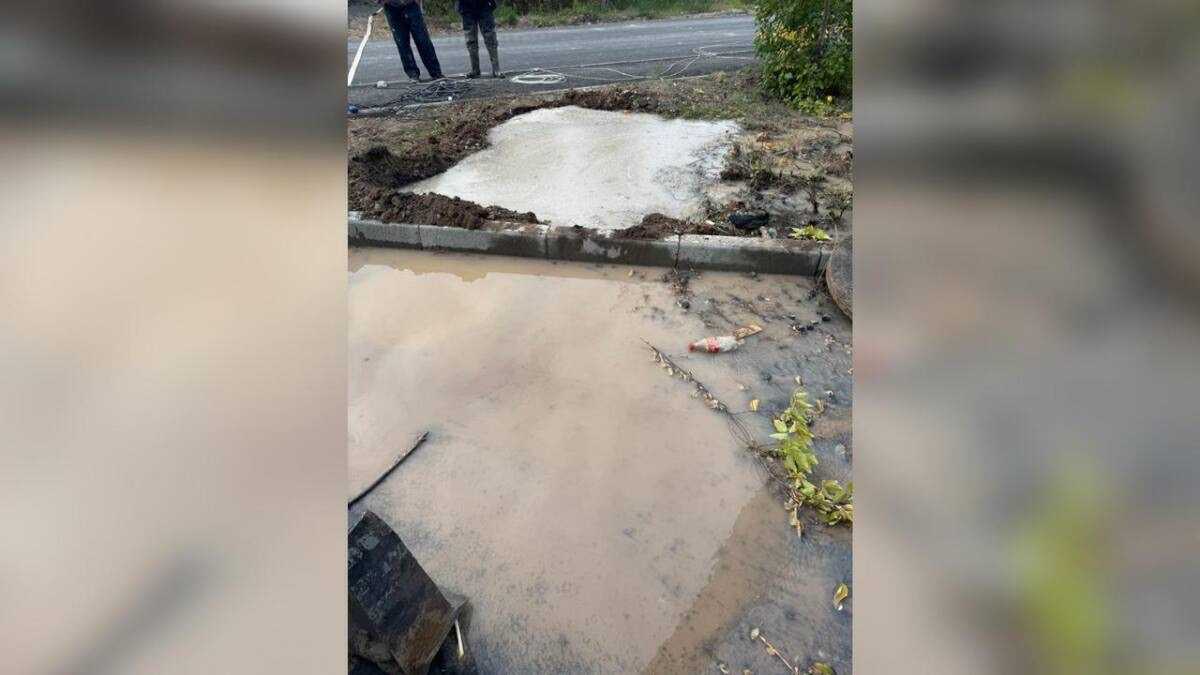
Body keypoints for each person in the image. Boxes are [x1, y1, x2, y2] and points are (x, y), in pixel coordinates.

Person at [380, 0, 444, 82]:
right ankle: (413, 74)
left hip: (411, 5)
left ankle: (436, 73)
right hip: (391, 7)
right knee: (402, 43)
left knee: (423, 40)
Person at [457, 0, 503, 78]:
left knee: (490, 38)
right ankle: (475, 70)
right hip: (466, 6)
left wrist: (493, 2)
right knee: (470, 40)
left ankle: (496, 69)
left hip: (484, 5)